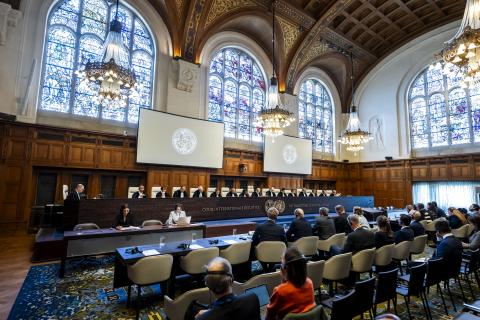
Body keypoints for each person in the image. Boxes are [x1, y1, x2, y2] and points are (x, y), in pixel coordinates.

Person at [194, 257, 261, 320]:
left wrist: (208, 314)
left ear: (207, 284)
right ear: (231, 280)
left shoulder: (202, 318)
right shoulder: (252, 299)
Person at [265, 247, 316, 320]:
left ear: (286, 269)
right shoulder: (309, 282)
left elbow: (269, 317)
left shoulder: (280, 291)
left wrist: (283, 280)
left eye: (281, 265)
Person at [252, 207, 287, 272]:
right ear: (277, 216)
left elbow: (254, 240)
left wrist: (260, 243)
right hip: (276, 254)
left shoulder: (260, 227)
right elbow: (285, 243)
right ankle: (269, 269)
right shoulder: (281, 229)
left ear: (267, 215)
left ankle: (266, 269)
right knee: (272, 256)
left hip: (262, 253)